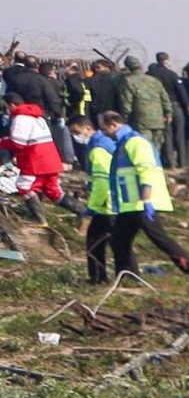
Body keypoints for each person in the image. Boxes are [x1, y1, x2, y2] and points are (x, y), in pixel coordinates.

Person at [102, 110, 189, 278]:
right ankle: (128, 277)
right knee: (119, 241)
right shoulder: (122, 144)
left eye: (105, 129)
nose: (104, 134)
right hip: (130, 205)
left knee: (160, 239)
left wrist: (146, 200)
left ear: (113, 125)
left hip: (142, 203)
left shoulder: (135, 142)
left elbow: (147, 171)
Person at [72, 115, 115, 282]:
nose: (75, 136)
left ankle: (99, 277)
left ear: (88, 128)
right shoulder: (101, 143)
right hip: (110, 203)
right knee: (110, 243)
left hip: (106, 204)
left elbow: (102, 182)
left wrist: (91, 209)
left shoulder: (97, 149)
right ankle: (100, 277)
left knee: (99, 242)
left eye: (77, 131)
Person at [3, 97, 65, 206]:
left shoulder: (20, 118)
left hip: (35, 160)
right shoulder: (38, 117)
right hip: (50, 158)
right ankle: (83, 213)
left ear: (12, 105)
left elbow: (18, 143)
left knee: (23, 186)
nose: (6, 110)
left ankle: (39, 220)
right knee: (53, 190)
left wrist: (2, 142)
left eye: (6, 106)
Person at [119, 57, 173, 177]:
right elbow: (164, 98)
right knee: (157, 146)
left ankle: (149, 172)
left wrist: (125, 118)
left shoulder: (129, 81)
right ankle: (157, 169)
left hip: (141, 118)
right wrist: (168, 113)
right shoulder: (154, 80)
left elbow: (127, 102)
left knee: (145, 146)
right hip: (158, 118)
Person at [147, 52, 187, 165]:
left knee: (167, 135)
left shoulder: (150, 74)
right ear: (166, 60)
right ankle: (182, 161)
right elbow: (181, 92)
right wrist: (187, 106)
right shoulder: (172, 74)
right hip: (174, 105)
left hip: (158, 107)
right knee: (179, 134)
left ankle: (170, 162)